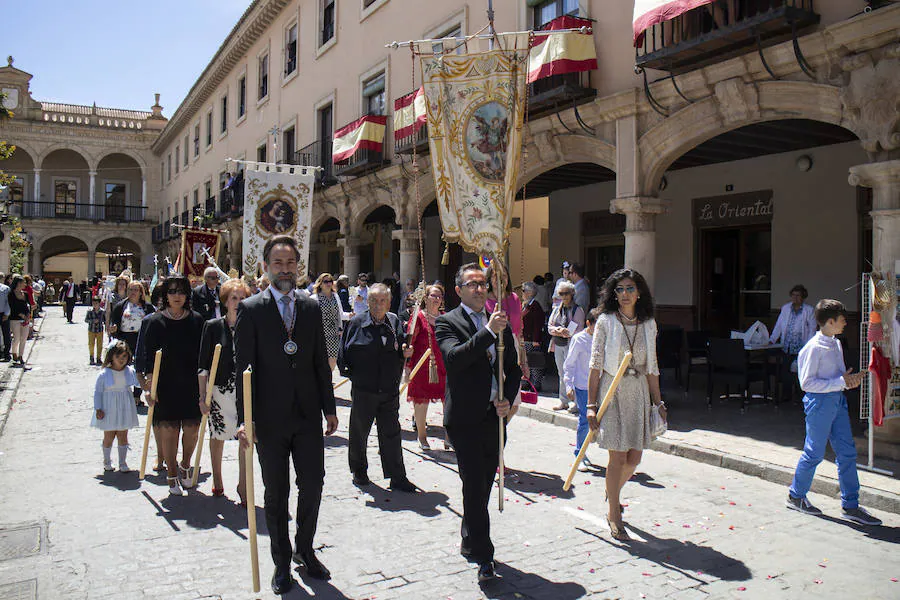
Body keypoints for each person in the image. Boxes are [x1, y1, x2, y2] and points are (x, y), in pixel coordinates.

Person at [234, 234, 338, 593]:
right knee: (276, 494)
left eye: (290, 263)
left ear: (299, 267)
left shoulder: (311, 308)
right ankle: (281, 562)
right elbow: (242, 371)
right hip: (269, 419)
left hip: (308, 416)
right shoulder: (251, 309)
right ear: (265, 267)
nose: (285, 270)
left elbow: (320, 364)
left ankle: (305, 549)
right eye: (277, 263)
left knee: (313, 485)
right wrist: (244, 421)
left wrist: (330, 408)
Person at [435, 263, 521, 583]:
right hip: (465, 419)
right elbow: (455, 359)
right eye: (471, 284)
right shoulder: (447, 322)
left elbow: (513, 370)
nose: (479, 288)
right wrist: (487, 333)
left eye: (483, 283)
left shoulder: (500, 322)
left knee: (483, 485)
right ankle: (485, 556)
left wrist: (506, 398)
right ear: (458, 290)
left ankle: (470, 537)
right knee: (473, 485)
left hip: (493, 418)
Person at [786, 299, 882, 526]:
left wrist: (848, 381)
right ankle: (796, 495)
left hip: (837, 401)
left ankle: (851, 504)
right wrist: (840, 381)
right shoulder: (812, 348)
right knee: (814, 452)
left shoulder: (836, 343)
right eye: (841, 319)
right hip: (819, 404)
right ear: (829, 321)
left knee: (847, 453)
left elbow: (837, 378)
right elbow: (807, 383)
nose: (845, 322)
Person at [586, 268, 664, 541]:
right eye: (619, 290)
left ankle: (613, 490)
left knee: (635, 457)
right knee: (617, 455)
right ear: (613, 294)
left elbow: (652, 366)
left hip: (639, 392)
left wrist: (658, 401)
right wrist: (591, 405)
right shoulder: (605, 321)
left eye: (630, 288)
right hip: (613, 392)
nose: (625, 294)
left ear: (639, 292)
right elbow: (595, 365)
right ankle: (614, 514)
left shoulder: (649, 323)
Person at [339, 283, 417, 491]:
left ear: (389, 302)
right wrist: (354, 376)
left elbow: (400, 348)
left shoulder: (393, 322)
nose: (378, 305)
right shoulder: (356, 323)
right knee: (359, 432)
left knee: (391, 433)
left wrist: (404, 352)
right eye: (373, 300)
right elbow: (343, 355)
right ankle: (359, 470)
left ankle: (397, 476)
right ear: (367, 301)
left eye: (382, 300)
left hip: (388, 390)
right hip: (365, 389)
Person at [135, 275, 205, 497]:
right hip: (164, 383)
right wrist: (146, 386)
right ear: (165, 295)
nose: (177, 296)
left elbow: (204, 355)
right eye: (172, 291)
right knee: (169, 430)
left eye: (182, 292)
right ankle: (172, 472)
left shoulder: (197, 320)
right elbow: (145, 357)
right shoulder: (152, 322)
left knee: (192, 429)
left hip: (191, 383)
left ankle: (185, 464)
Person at [198, 278, 251, 503]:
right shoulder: (212, 327)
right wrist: (202, 396)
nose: (238, 302)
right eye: (234, 298)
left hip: (245, 390)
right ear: (226, 301)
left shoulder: (251, 326)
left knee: (245, 437)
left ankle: (243, 484)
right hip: (219, 391)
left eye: (242, 298)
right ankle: (217, 478)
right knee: (218, 434)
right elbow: (202, 365)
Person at [405, 283, 448, 450]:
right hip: (422, 366)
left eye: (439, 296)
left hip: (443, 366)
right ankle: (422, 437)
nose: (436, 299)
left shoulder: (445, 318)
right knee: (421, 403)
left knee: (448, 402)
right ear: (426, 297)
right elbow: (410, 341)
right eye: (433, 295)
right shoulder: (418, 317)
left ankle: (448, 437)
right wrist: (407, 365)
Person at [484, 265, 529, 418]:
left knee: (514, 403)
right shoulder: (483, 299)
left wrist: (524, 360)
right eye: (496, 276)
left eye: (504, 276)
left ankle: (499, 429)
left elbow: (519, 331)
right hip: (491, 347)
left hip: (512, 347)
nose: (500, 280)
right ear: (489, 279)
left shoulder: (514, 298)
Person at [90, 340, 140, 472]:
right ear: (111, 356)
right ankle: (107, 461)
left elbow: (138, 383)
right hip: (109, 408)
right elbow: (98, 392)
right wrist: (98, 408)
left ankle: (122, 462)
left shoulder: (129, 371)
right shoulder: (104, 374)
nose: (121, 359)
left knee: (123, 434)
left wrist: (146, 383)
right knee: (109, 435)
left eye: (124, 356)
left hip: (124, 406)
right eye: (118, 357)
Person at [564, 308, 601, 471]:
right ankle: (580, 453)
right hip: (582, 385)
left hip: (600, 385)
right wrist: (568, 384)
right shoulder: (579, 339)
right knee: (584, 420)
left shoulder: (604, 340)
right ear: (588, 323)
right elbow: (569, 363)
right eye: (597, 326)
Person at [770, 284, 817, 403]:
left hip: (801, 346)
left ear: (803, 297)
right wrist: (772, 339)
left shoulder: (809, 310)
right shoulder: (786, 308)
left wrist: (809, 346)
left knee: (801, 371)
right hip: (787, 345)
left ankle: (801, 395)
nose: (795, 298)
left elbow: (812, 329)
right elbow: (779, 325)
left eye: (798, 295)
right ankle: (786, 395)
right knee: (785, 370)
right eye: (793, 295)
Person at [549, 280, 585, 412]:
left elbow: (580, 328)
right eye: (561, 294)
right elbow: (550, 326)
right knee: (561, 373)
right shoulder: (556, 310)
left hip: (572, 345)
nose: (564, 296)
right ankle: (563, 401)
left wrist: (567, 332)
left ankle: (576, 403)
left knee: (574, 373)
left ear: (572, 294)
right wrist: (557, 331)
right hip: (558, 344)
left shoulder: (578, 310)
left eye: (566, 293)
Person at [310, 273, 344, 371]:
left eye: (330, 281)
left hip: (333, 334)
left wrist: (349, 316)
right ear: (320, 284)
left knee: (333, 360)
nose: (329, 284)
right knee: (319, 359)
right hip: (320, 333)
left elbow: (340, 314)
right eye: (326, 282)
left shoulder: (335, 296)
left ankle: (328, 379)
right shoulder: (314, 298)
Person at [521, 281, 546, 391]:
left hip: (531, 340)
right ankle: (527, 381)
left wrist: (536, 340)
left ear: (529, 293)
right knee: (526, 362)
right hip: (524, 339)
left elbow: (537, 324)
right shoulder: (525, 305)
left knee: (534, 362)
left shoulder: (535, 306)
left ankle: (536, 384)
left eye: (523, 291)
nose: (521, 293)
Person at [9, 275, 32, 368]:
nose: (25, 284)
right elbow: (12, 307)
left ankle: (21, 355)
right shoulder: (11, 294)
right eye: (23, 282)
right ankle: (14, 351)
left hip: (25, 319)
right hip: (15, 319)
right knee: (17, 338)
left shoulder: (25, 294)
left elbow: (27, 306)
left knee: (23, 338)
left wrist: (27, 315)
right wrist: (21, 315)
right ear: (18, 283)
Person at [85, 297, 105, 365]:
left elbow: (105, 320)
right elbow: (86, 320)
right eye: (93, 303)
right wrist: (93, 321)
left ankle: (99, 358)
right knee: (91, 344)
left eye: (96, 303)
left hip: (100, 330)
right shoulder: (90, 311)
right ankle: (91, 357)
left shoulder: (102, 311)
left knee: (100, 344)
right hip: (91, 330)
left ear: (99, 304)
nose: (95, 305)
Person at [0, 273, 11, 362]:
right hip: (4, 313)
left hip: (3, 313)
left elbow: (8, 302)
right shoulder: (6, 288)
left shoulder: (5, 288)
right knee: (6, 334)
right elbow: (8, 303)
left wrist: (6, 314)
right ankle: (6, 354)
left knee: (6, 334)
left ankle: (5, 354)